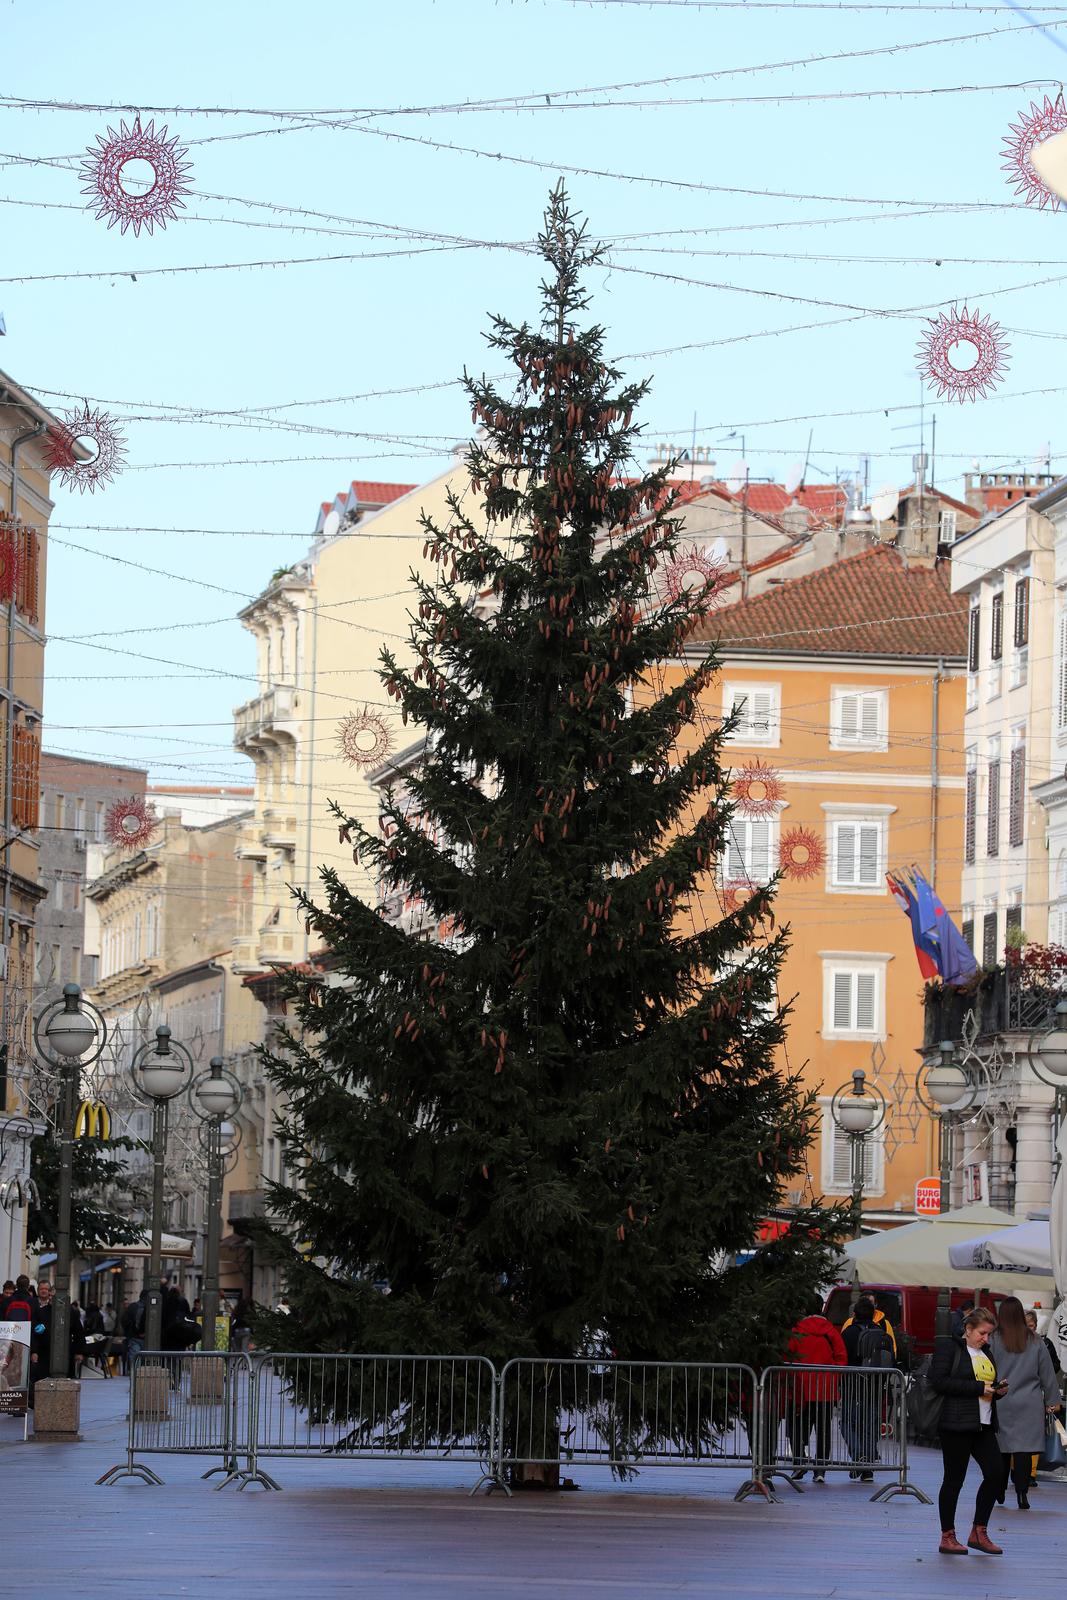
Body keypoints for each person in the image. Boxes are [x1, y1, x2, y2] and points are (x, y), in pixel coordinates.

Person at [930, 1305, 1006, 1556]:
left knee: (996, 1474)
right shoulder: (949, 1348)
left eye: (989, 1334)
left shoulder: (986, 1353)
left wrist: (997, 1390)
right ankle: (947, 1535)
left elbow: (985, 1385)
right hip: (956, 1423)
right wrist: (978, 1388)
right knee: (954, 1480)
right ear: (968, 1329)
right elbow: (939, 1381)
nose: (986, 1338)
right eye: (982, 1333)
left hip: (983, 1424)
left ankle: (979, 1531)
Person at [990, 1296, 1061, 1511]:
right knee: (1023, 1451)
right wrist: (1052, 1400)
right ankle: (1022, 1494)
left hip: (1001, 1399)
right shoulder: (1035, 1340)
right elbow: (1047, 1374)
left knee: (1002, 1450)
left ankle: (999, 1491)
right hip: (1029, 1403)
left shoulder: (994, 1339)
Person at [785, 1297, 848, 1483]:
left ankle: (799, 1462)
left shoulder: (797, 1331)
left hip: (801, 1389)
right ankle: (820, 1469)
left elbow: (788, 1356)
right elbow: (841, 1358)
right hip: (825, 1390)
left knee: (797, 1428)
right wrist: (832, 1377)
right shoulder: (831, 1332)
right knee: (823, 1431)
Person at [840, 1295, 895, 1483]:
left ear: (854, 1315)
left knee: (848, 1423)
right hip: (875, 1387)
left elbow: (841, 1359)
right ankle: (868, 1469)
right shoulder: (881, 1333)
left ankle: (858, 1456)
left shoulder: (848, 1333)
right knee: (870, 1426)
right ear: (873, 1314)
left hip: (852, 1387)